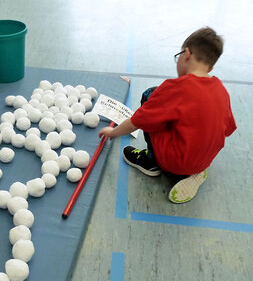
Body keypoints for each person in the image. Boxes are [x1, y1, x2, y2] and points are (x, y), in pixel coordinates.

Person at [99, 27, 236, 203]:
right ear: (211, 66)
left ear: (186, 54)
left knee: (150, 96)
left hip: (175, 163)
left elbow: (137, 121)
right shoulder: (221, 90)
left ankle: (152, 161)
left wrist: (112, 132)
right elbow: (226, 128)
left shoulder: (175, 88)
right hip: (205, 159)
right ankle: (195, 171)